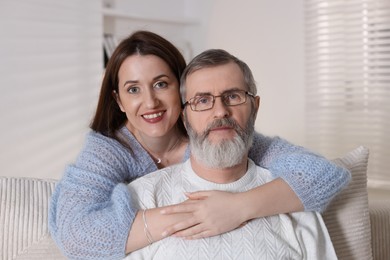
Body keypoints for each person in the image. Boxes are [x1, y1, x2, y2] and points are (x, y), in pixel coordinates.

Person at [49, 31, 349, 259]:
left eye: (161, 84)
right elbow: (77, 236)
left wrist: (238, 207)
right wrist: (183, 217)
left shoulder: (215, 135)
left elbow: (321, 174)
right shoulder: (108, 151)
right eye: (133, 89)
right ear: (119, 101)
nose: (150, 101)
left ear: (183, 94)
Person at [125, 48, 338, 259]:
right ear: (184, 118)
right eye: (203, 100)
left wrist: (240, 207)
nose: (220, 111)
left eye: (233, 96)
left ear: (255, 107)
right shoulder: (143, 197)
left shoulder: (295, 200)